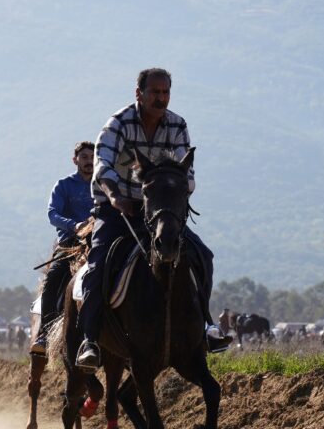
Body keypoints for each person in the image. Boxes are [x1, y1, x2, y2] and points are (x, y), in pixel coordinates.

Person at [75, 68, 230, 372]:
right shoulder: (118, 125)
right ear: (139, 94)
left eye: (165, 93)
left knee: (202, 255)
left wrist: (177, 193)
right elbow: (102, 167)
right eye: (154, 92)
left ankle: (207, 328)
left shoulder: (177, 125)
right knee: (98, 264)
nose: (160, 98)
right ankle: (90, 340)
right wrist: (116, 196)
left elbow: (188, 173)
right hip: (117, 207)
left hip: (159, 210)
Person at [32, 141, 96, 357]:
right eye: (84, 157)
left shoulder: (103, 185)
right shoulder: (64, 185)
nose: (89, 161)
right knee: (52, 281)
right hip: (71, 245)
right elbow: (53, 214)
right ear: (75, 160)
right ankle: (44, 333)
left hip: (99, 241)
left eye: (92, 157)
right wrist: (74, 225)